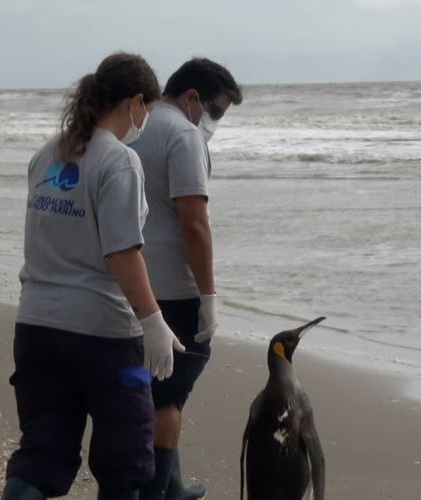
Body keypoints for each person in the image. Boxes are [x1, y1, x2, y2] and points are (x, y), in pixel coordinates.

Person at [2, 52, 186, 500]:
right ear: (136, 102)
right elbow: (122, 252)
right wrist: (152, 321)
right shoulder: (118, 161)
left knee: (42, 451)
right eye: (148, 108)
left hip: (36, 327)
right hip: (102, 334)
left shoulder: (47, 154)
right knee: (125, 462)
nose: (145, 118)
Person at [131, 58, 243, 500]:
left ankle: (170, 482)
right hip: (173, 289)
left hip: (130, 279)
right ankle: (158, 492)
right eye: (215, 111)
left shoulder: (134, 127)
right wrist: (208, 295)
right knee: (168, 397)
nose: (213, 122)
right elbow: (193, 223)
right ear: (192, 97)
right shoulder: (183, 135)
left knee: (142, 389)